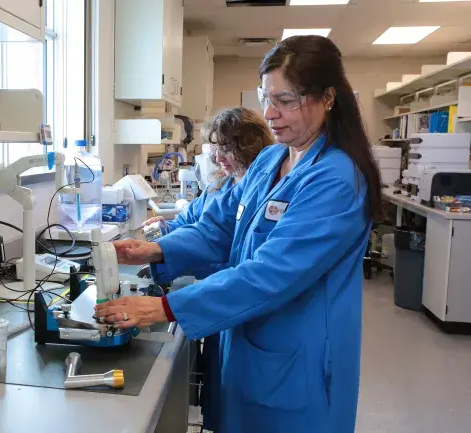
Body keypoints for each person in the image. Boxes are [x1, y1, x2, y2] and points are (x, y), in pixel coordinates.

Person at [95, 35, 382, 433]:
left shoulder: (334, 180)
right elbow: (218, 229)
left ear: (328, 97)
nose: (271, 113)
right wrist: (153, 250)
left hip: (299, 355)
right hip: (248, 341)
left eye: (286, 100)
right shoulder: (270, 159)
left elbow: (270, 274)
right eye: (267, 98)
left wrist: (166, 309)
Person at [143, 106, 275, 280]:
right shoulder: (219, 185)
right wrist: (163, 230)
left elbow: (221, 246)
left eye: (227, 149)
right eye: (215, 148)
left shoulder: (262, 192)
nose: (218, 158)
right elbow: (188, 220)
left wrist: (170, 254)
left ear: (250, 146)